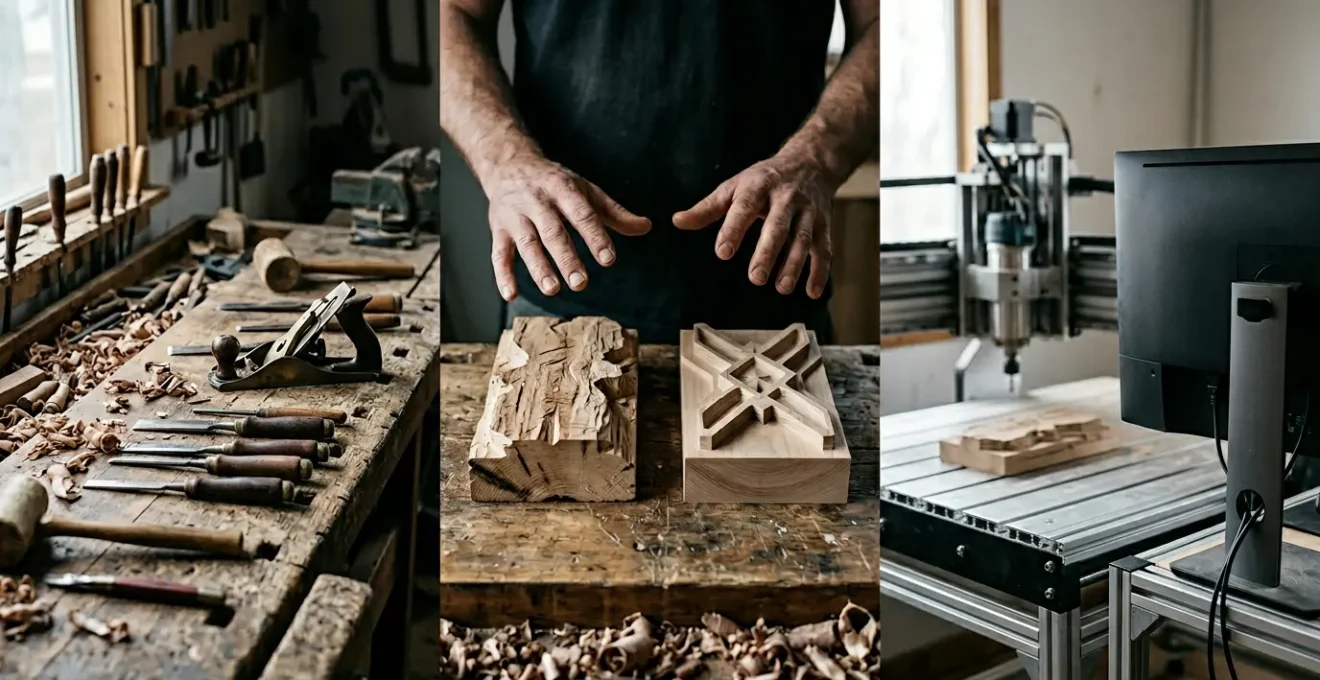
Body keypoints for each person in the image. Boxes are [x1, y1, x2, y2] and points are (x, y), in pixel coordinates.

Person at [440, 0, 878, 343]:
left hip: (773, 290)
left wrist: (814, 160)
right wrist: (506, 163)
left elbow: (882, 25)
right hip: (560, 285)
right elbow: (453, 12)